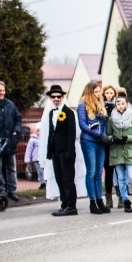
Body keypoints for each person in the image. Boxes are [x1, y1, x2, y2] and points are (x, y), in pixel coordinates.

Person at [43, 85, 79, 216]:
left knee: (67, 179)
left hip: (66, 151)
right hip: (56, 151)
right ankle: (64, 203)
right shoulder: (52, 113)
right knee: (59, 178)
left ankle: (71, 206)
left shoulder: (68, 112)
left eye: (59, 96)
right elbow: (50, 133)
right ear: (50, 98)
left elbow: (72, 133)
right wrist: (49, 151)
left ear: (63, 97)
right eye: (54, 97)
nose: (56, 99)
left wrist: (70, 151)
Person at [107, 93, 132, 214]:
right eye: (118, 103)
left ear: (127, 104)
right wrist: (113, 139)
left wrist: (128, 138)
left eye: (122, 103)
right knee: (121, 179)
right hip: (117, 152)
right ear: (115, 105)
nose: (120, 105)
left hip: (129, 152)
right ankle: (126, 201)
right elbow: (107, 135)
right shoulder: (111, 119)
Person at [77, 81, 110, 214]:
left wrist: (105, 136)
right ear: (90, 92)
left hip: (100, 142)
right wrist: (98, 134)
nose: (98, 94)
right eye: (95, 92)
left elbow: (104, 124)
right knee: (91, 172)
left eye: (99, 92)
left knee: (98, 173)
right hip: (89, 141)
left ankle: (99, 200)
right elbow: (83, 125)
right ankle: (92, 202)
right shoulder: (82, 105)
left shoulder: (100, 105)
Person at [101, 85, 118, 209]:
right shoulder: (101, 107)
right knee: (108, 171)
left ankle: (122, 196)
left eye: (111, 92)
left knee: (120, 171)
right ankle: (108, 197)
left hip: (117, 142)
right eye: (107, 93)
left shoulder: (118, 105)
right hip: (106, 142)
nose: (109, 95)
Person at [24, 123, 45, 189]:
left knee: (45, 171)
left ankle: (46, 183)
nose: (39, 132)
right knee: (40, 171)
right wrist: (27, 159)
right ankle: (42, 183)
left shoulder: (44, 139)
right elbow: (29, 150)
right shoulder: (32, 140)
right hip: (36, 158)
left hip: (44, 158)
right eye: (37, 130)